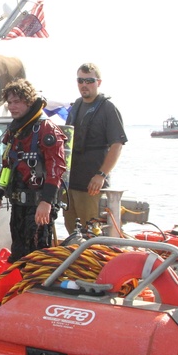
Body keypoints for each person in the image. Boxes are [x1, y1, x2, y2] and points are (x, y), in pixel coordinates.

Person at [0, 79, 67, 261]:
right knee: (18, 253)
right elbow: (8, 165)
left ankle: (36, 286)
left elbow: (56, 168)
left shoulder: (45, 129)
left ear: (29, 102)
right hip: (18, 205)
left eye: (17, 102)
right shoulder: (15, 131)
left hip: (39, 205)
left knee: (36, 255)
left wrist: (46, 202)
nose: (12, 107)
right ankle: (21, 287)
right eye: (9, 102)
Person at [64, 63, 127, 235]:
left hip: (92, 186)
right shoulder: (75, 106)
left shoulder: (108, 109)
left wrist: (101, 175)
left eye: (89, 80)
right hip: (70, 184)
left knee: (91, 233)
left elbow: (117, 144)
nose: (84, 85)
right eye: (80, 80)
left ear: (98, 82)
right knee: (72, 233)